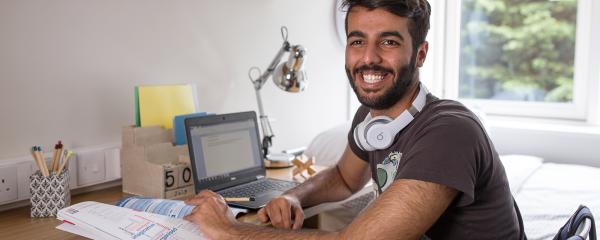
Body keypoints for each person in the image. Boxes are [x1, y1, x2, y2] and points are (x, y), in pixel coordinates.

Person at [184, 0, 524, 239]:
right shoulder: (371, 116)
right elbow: (345, 179)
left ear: (420, 53)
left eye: (388, 42)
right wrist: (294, 197)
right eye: (357, 41)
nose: (368, 58)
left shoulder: (450, 133)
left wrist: (228, 231)